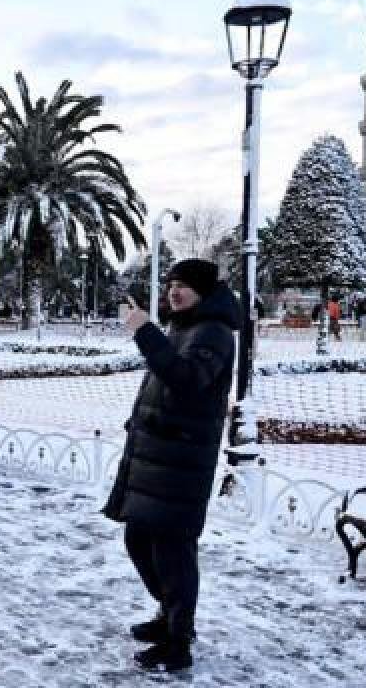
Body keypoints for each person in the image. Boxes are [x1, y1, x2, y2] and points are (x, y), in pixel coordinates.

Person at [103, 259, 239, 673]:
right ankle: (169, 615)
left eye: (183, 286)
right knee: (139, 539)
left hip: (182, 460)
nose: (173, 292)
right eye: (170, 285)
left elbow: (186, 379)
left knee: (173, 553)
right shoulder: (186, 326)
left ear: (202, 291)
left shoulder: (212, 331)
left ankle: (178, 642)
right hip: (158, 456)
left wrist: (144, 331)